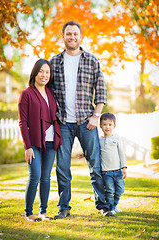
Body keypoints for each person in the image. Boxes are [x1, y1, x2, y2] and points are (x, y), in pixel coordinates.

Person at [50, 21, 111, 219]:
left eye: (75, 34)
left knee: (95, 165)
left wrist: (96, 115)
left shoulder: (92, 60)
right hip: (63, 123)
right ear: (63, 36)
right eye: (68, 34)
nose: (72, 37)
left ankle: (102, 205)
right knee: (62, 167)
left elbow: (101, 89)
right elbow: (48, 92)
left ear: (80, 37)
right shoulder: (53, 62)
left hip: (87, 121)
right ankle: (64, 208)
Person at [18, 59, 62, 221]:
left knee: (45, 177)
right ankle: (29, 213)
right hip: (34, 142)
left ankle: (43, 212)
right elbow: (23, 122)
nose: (44, 75)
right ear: (35, 73)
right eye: (41, 71)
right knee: (35, 175)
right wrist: (27, 146)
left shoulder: (51, 93)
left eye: (47, 72)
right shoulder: (27, 94)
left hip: (50, 142)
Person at [99, 112, 127, 215]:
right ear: (100, 126)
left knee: (120, 190)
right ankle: (110, 208)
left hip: (118, 171)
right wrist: (83, 155)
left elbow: (121, 154)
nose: (107, 127)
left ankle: (115, 205)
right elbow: (93, 152)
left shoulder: (117, 139)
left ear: (114, 126)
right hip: (106, 172)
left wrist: (124, 167)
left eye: (110, 125)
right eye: (105, 124)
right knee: (110, 191)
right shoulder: (99, 140)